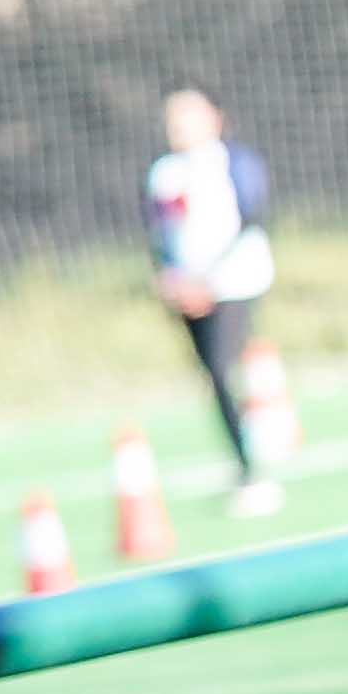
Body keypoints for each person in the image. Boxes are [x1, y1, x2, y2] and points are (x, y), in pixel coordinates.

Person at [141, 87, 284, 514]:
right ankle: (243, 459)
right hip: (189, 291)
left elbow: (252, 219)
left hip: (234, 283)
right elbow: (160, 233)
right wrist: (173, 278)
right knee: (215, 377)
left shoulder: (233, 162)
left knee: (225, 366)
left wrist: (206, 279)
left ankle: (252, 466)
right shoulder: (164, 173)